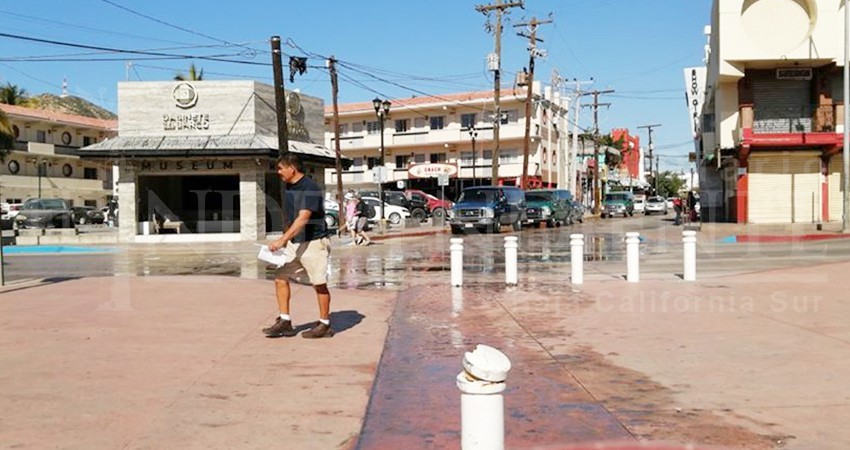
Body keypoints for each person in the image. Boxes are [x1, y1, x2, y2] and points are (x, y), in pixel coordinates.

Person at [263, 153, 334, 339]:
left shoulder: (309, 187)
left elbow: (303, 218)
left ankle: (325, 325)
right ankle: (285, 321)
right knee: (280, 277)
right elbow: (292, 218)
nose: (278, 172)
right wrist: (285, 240)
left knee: (318, 283)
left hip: (314, 242)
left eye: (281, 168)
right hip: (295, 242)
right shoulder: (290, 187)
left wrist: (282, 240)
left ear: (292, 168)